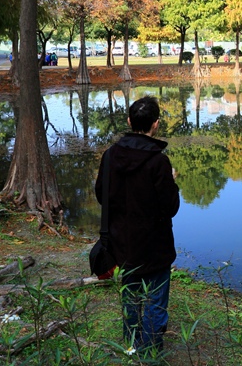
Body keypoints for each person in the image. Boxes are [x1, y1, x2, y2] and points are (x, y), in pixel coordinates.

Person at [95, 96, 180, 356]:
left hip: (122, 242)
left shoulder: (110, 155)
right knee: (155, 299)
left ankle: (132, 343)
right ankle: (150, 351)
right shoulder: (158, 162)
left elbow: (101, 196)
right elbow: (170, 208)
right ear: (155, 124)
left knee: (130, 294)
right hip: (154, 246)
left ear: (129, 122)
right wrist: (172, 181)